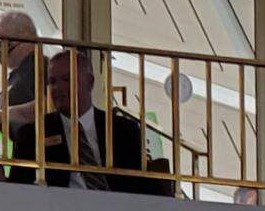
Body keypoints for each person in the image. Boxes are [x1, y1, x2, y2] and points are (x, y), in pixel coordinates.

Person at [9, 49, 168, 195]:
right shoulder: (33, 134)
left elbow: (144, 186)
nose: (57, 87)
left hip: (117, 210)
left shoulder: (123, 130)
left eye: (67, 79)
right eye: (52, 81)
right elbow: (18, 189)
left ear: (90, 82)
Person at [0, 12, 44, 138]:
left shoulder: (41, 67)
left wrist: (2, 115)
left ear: (23, 35)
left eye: (1, 39)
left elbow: (50, 104)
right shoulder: (17, 74)